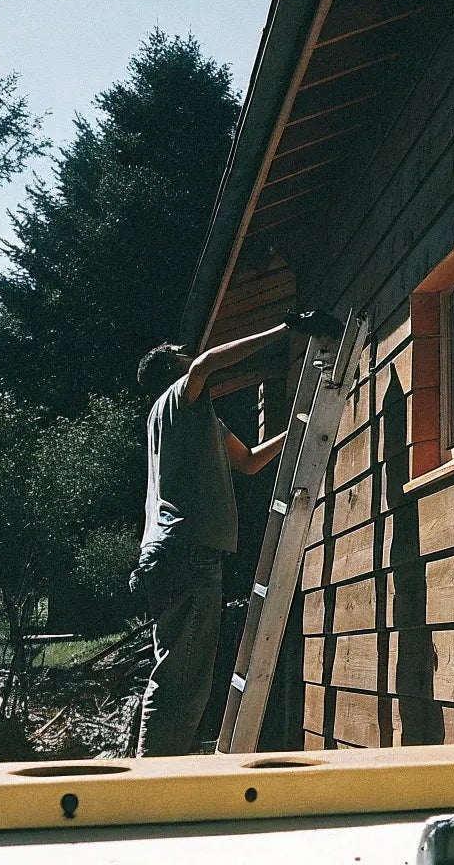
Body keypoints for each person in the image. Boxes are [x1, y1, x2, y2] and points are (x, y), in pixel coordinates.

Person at [130, 309, 342, 756]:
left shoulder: (198, 421)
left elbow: (246, 462)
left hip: (174, 553)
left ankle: (155, 765)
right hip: (186, 551)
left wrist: (300, 429)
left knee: (184, 672)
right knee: (182, 675)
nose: (193, 362)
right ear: (173, 370)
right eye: (183, 359)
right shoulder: (175, 399)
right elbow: (205, 365)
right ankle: (155, 774)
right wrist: (287, 328)